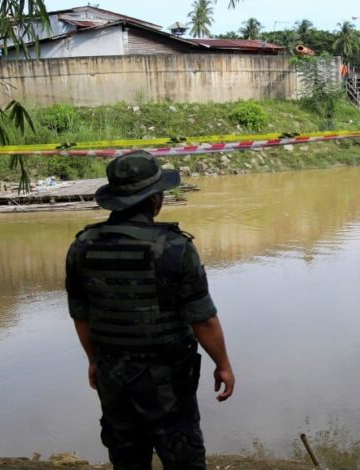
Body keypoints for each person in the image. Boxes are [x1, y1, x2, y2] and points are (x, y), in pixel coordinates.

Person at [65, 151, 235, 470]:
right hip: (167, 378)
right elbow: (203, 318)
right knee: (182, 456)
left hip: (112, 373)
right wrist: (223, 364)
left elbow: (81, 314)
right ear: (155, 200)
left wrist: (94, 361)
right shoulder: (175, 247)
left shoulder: (82, 246)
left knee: (127, 458)